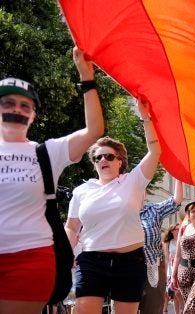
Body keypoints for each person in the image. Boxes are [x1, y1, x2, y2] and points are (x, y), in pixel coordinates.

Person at [0, 47, 104, 313]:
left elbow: (94, 131)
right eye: (7, 103)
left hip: (30, 259)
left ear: (33, 115)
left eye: (25, 105)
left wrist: (86, 76)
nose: (16, 110)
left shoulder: (47, 152)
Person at [64, 96, 161, 313]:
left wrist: (145, 118)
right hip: (91, 261)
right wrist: (65, 255)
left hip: (129, 261)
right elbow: (71, 227)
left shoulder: (133, 181)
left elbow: (155, 152)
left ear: (120, 161)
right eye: (97, 158)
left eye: (108, 156)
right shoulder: (82, 191)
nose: (103, 161)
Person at [139, 179, 183, 314]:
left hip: (152, 268)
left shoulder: (153, 210)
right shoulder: (120, 213)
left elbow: (176, 200)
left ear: (144, 194)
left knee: (152, 308)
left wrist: (178, 176)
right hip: (125, 267)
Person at [164, 223, 184, 314]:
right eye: (176, 229)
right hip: (171, 269)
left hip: (182, 268)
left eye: (178, 229)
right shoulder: (168, 242)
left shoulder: (182, 240)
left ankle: (183, 309)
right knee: (175, 293)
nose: (177, 230)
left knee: (179, 292)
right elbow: (167, 257)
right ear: (172, 231)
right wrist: (165, 271)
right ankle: (177, 312)